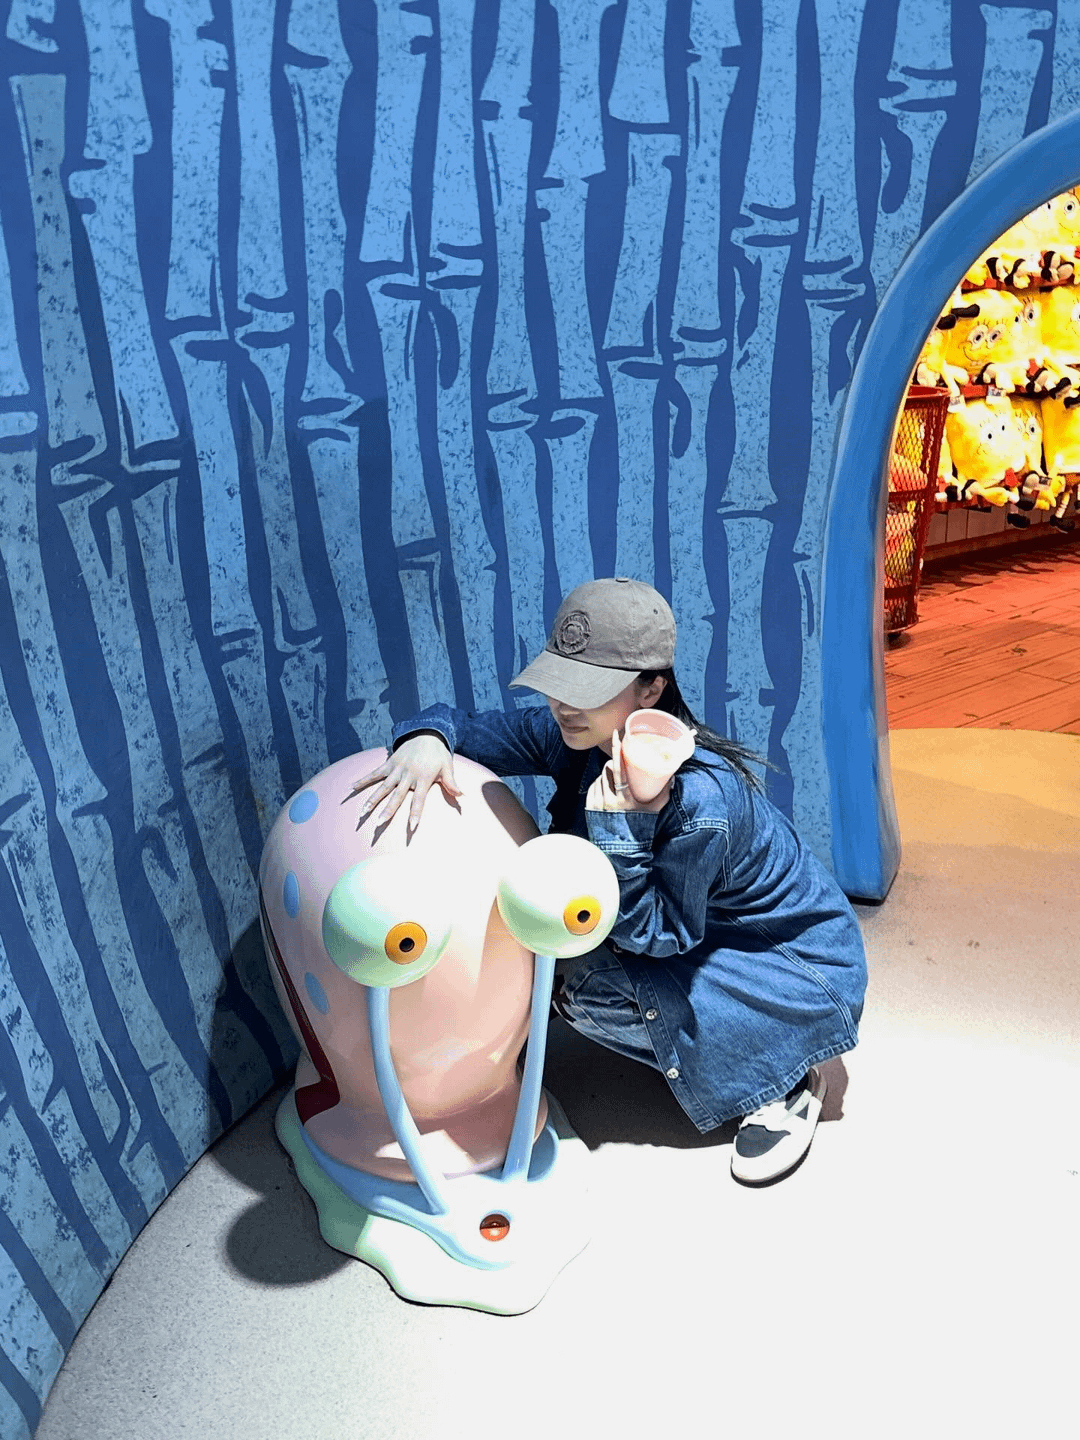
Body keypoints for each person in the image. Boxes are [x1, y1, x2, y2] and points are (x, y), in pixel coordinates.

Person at [348, 577, 868, 1184]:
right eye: (558, 682)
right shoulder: (580, 734)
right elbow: (465, 725)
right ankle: (725, 1039)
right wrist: (426, 739)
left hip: (789, 970)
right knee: (548, 949)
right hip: (712, 939)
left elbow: (660, 937)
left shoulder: (702, 802)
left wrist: (622, 828)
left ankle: (779, 1075)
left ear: (653, 687)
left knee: (575, 982)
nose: (563, 705)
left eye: (588, 689)